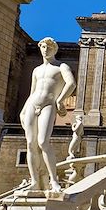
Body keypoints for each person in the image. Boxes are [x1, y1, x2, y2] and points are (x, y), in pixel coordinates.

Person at [20, 37, 76, 192]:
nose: (46, 50)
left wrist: (60, 100)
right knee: (31, 144)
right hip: (32, 104)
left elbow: (71, 83)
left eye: (49, 47)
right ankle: (34, 182)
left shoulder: (61, 67)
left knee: (43, 142)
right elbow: (32, 92)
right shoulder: (36, 70)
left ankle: (54, 181)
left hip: (48, 105)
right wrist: (24, 110)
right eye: (43, 47)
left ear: (55, 49)